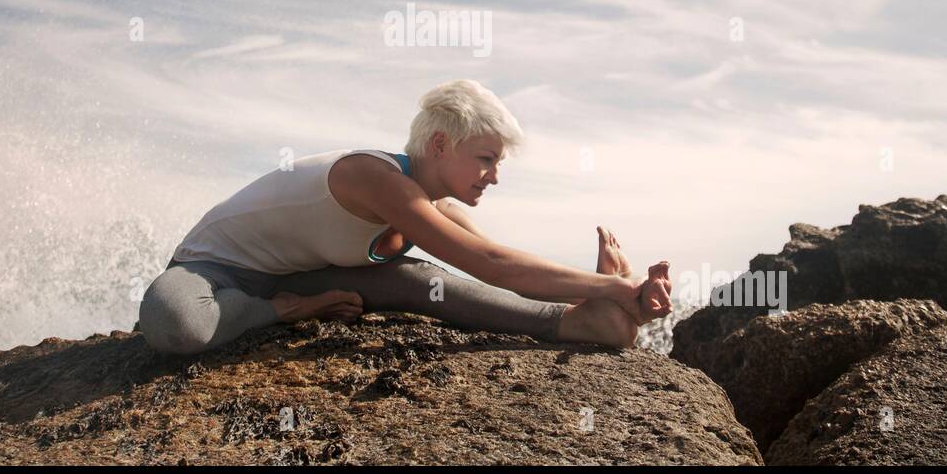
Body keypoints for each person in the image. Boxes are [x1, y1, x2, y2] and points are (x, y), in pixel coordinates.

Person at [138, 78, 673, 356]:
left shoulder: (433, 203)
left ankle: (575, 323)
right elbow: (490, 263)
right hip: (213, 273)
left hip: (302, 274)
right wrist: (621, 288)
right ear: (440, 144)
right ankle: (279, 311)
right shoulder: (376, 178)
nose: (494, 176)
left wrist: (601, 292)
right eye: (485, 159)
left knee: (419, 283)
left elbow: (501, 263)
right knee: (175, 324)